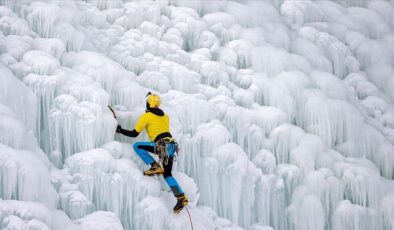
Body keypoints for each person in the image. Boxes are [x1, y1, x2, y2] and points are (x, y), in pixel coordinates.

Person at [116, 92, 188, 213]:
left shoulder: (147, 116)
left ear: (148, 104)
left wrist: (120, 130)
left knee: (137, 146)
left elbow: (134, 133)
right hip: (171, 146)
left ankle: (154, 166)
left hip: (161, 145)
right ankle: (180, 196)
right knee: (168, 174)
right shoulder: (165, 117)